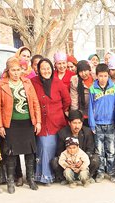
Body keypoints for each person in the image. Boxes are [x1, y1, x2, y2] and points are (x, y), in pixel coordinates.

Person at [0, 57, 41, 193]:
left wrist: (37, 122)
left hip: (27, 122)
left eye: (18, 70)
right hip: (11, 123)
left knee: (30, 152)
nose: (15, 73)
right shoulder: (1, 84)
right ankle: (10, 180)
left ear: (22, 70)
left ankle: (30, 179)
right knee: (11, 153)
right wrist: (1, 126)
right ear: (8, 71)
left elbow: (35, 102)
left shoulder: (27, 82)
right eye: (13, 70)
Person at [31, 58, 71, 186]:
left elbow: (67, 100)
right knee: (43, 147)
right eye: (43, 68)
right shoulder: (33, 82)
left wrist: (60, 110)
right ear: (38, 70)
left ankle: (51, 175)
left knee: (52, 148)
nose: (46, 71)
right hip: (41, 122)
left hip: (57, 121)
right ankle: (43, 175)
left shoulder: (58, 83)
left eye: (48, 68)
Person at [88, 63, 115, 182]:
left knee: (111, 150)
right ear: (96, 76)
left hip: (110, 124)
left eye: (105, 76)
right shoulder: (92, 89)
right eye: (100, 76)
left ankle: (111, 172)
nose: (103, 78)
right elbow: (90, 108)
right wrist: (92, 123)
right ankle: (100, 172)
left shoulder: (113, 88)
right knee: (99, 151)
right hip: (97, 125)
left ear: (108, 76)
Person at [52, 109, 99, 184]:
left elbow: (90, 149)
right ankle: (64, 178)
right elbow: (59, 152)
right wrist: (68, 161)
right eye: (74, 123)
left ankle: (88, 177)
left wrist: (81, 161)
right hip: (68, 162)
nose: (77, 126)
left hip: (82, 161)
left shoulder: (87, 132)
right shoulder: (62, 133)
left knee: (95, 159)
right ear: (69, 123)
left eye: (79, 123)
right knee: (54, 161)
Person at [70, 60, 93, 126]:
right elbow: (74, 101)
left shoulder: (96, 79)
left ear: (89, 70)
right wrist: (76, 116)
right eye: (80, 71)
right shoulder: (75, 81)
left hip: (96, 113)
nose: (83, 73)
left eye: (85, 70)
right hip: (83, 114)